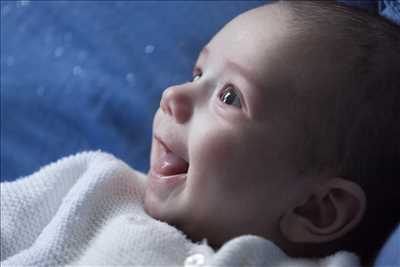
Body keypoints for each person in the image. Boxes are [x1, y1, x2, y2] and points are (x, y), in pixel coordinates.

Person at [1, 1, 399, 266]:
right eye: (198, 73)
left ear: (316, 209)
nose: (174, 95)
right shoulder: (97, 188)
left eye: (229, 97)